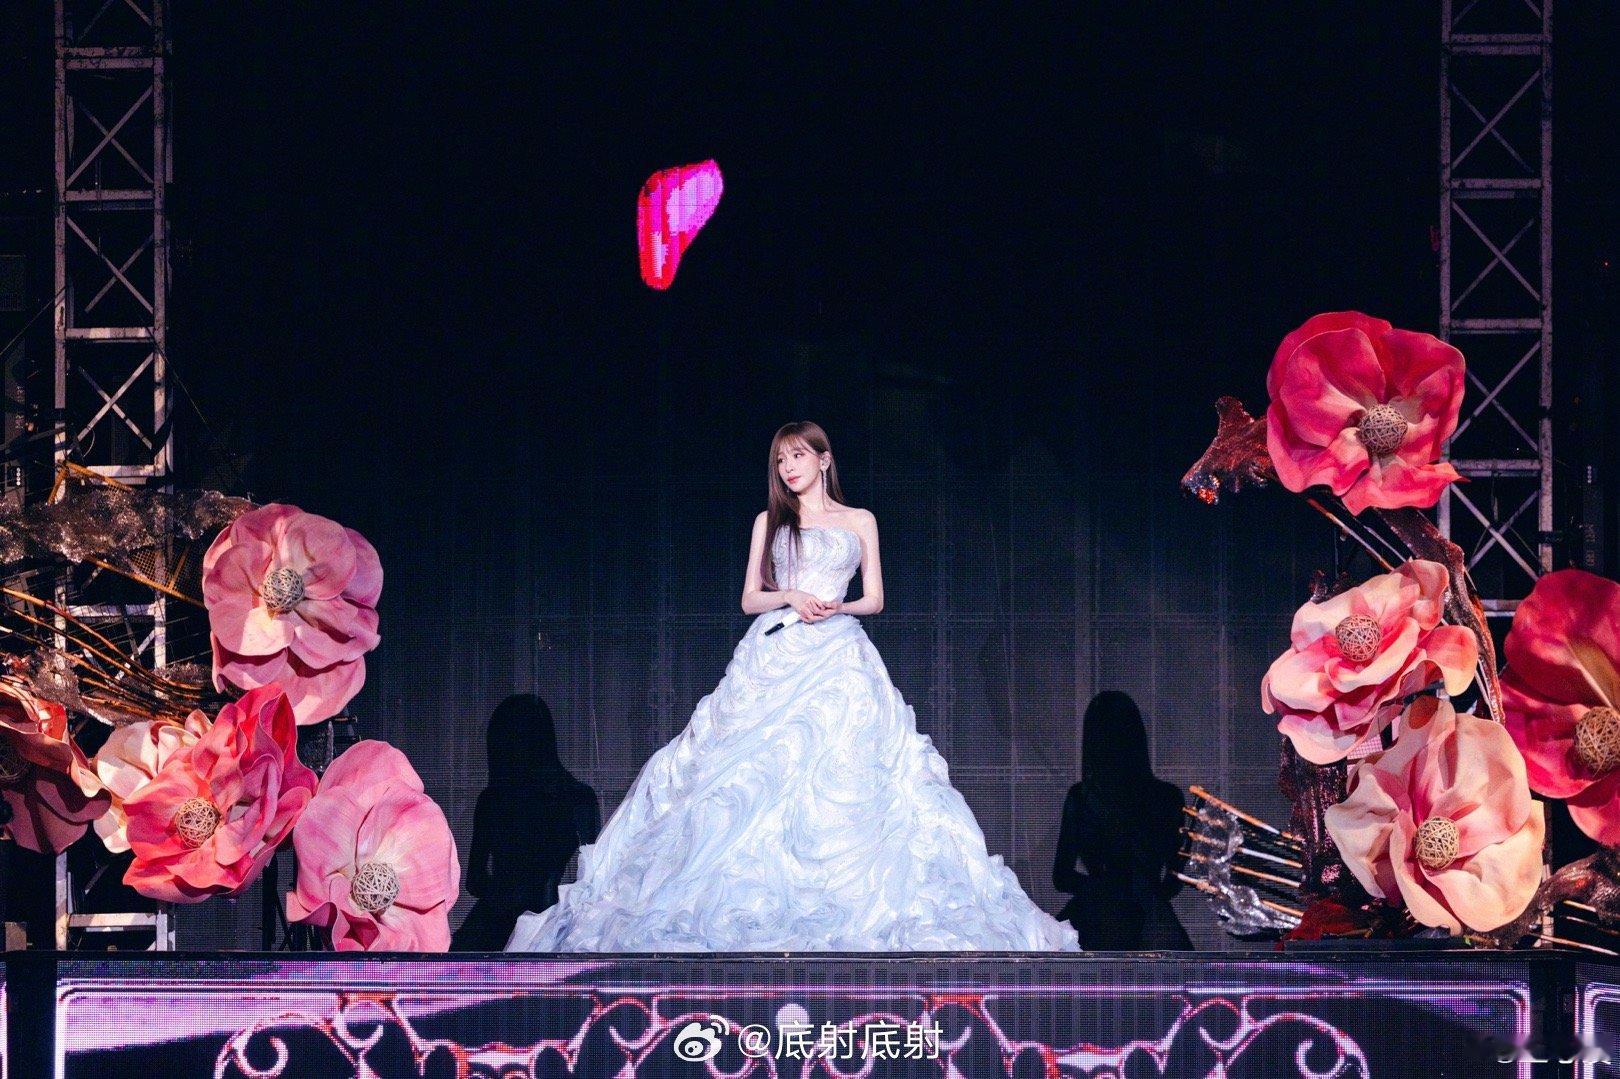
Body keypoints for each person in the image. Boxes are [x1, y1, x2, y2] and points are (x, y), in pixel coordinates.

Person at [506, 421, 1079, 952]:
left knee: (846, 772)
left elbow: (875, 598)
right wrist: (791, 596)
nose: (788, 467)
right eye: (781, 460)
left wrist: (836, 607)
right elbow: (749, 598)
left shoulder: (859, 520)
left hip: (837, 652)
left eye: (798, 456)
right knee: (750, 776)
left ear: (824, 460)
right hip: (777, 650)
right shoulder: (770, 522)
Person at [452, 694, 600, 951]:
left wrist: (508, 892)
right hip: (539, 922)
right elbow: (592, 881)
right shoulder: (578, 797)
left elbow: (475, 881)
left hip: (504, 924)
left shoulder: (494, 799)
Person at [1053, 691, 1192, 950]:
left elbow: (1062, 877)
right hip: (1138, 917)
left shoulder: (1082, 797)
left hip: (1104, 918)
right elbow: (1173, 883)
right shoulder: (1166, 797)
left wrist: (1106, 889)